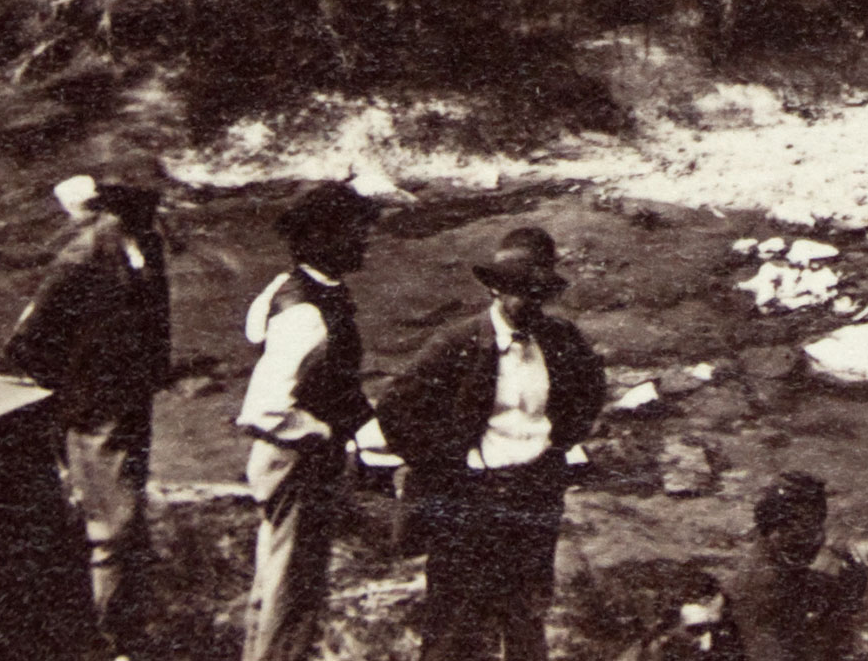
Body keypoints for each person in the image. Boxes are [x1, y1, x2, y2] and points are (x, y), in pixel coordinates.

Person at [377, 227, 606, 660]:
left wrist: (557, 443)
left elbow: (591, 388)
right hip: (470, 498)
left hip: (534, 493)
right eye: (518, 291)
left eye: (537, 293)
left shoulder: (560, 339)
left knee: (526, 612)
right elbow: (396, 408)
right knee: (455, 619)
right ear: (496, 288)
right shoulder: (457, 343)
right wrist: (448, 462)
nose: (528, 303)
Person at [0, 157, 172, 660]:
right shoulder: (81, 258)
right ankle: (104, 644)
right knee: (112, 526)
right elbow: (27, 342)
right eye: (142, 201)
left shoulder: (149, 244)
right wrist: (67, 396)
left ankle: (125, 627)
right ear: (111, 205)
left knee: (127, 515)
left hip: (131, 400)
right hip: (93, 408)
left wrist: (155, 373)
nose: (154, 209)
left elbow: (155, 316)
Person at [237, 179, 381, 661]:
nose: (365, 240)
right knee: (292, 590)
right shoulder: (307, 314)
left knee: (276, 579)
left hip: (286, 460)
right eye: (356, 231)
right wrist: (320, 431)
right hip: (297, 460)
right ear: (323, 237)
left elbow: (255, 327)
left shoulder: (290, 287)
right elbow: (265, 408)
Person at [722, 471, 868, 661]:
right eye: (804, 533)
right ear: (776, 532)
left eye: (816, 524)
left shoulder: (789, 543)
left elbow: (827, 537)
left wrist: (849, 545)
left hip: (794, 598)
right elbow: (768, 652)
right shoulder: (759, 585)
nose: (815, 538)